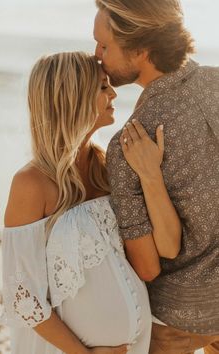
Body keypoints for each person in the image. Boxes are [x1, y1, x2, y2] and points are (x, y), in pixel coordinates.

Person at [1, 51, 182, 354]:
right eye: (102, 87)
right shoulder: (31, 184)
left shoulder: (108, 167)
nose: (113, 93)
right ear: (73, 97)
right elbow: (23, 297)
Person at [93, 0, 219, 353]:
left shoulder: (128, 145)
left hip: (177, 318)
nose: (97, 55)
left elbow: (146, 268)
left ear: (142, 49)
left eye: (105, 45)